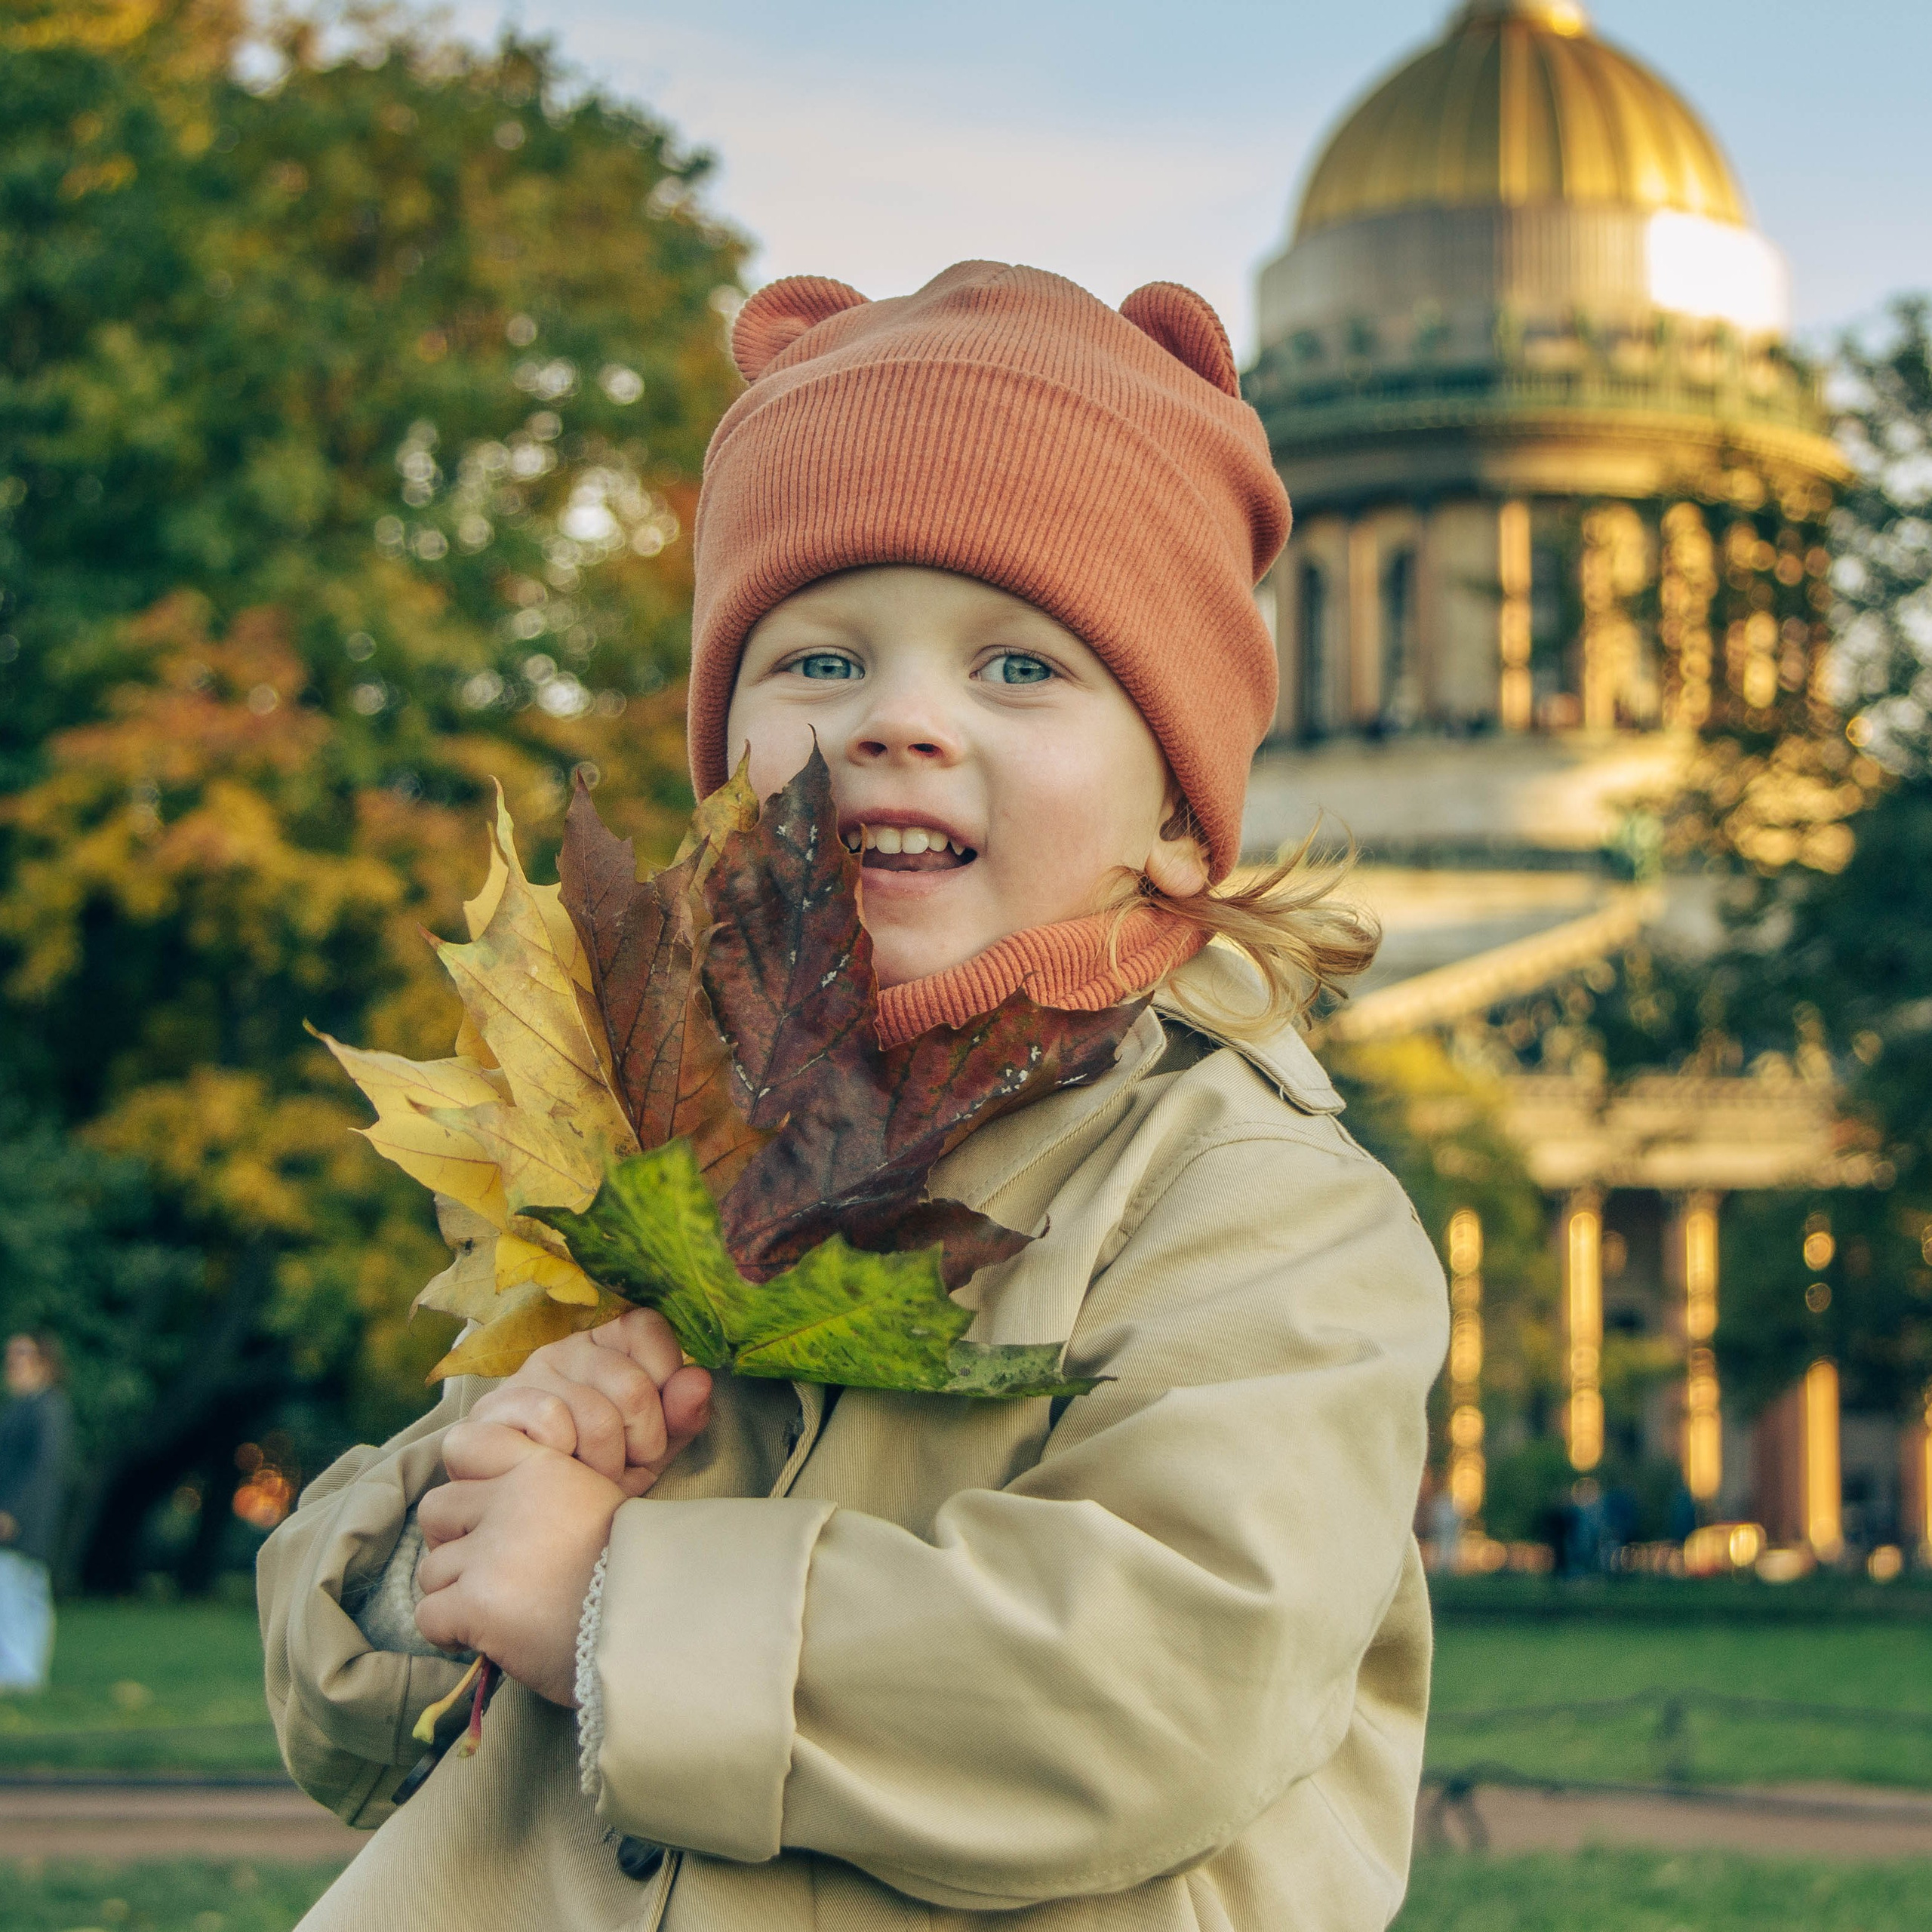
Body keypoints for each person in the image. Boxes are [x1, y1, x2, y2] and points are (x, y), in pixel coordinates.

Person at [259, 263, 1449, 1931]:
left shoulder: (1254, 1204)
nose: (895, 718)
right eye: (816, 659)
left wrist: (610, 1599)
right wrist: (459, 1518)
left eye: (1018, 668)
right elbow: (346, 1721)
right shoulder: (665, 1140)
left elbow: (1151, 1679)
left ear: (1181, 810)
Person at [0, 1330, 73, 1692]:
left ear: (44, 1363)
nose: (13, 1366)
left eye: (22, 1357)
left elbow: (41, 1470)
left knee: (18, 1597)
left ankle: (21, 1679)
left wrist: (11, 1512)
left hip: (23, 1527)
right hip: (18, 1525)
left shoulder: (48, 1408)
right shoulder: (24, 1408)